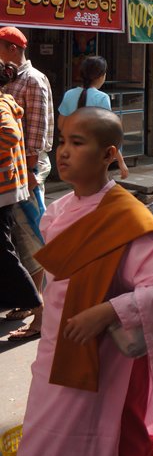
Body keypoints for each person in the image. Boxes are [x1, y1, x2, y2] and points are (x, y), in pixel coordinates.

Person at [17, 107, 153, 456]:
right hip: (54, 355)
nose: (63, 152)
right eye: (62, 140)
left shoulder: (127, 219)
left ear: (108, 155)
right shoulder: (57, 212)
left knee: (88, 450)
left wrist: (107, 311)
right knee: (58, 447)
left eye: (77, 143)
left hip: (99, 364)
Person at [0, 25, 54, 340]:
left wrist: (30, 174)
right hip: (14, 171)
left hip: (24, 173)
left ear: (10, 48)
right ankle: (28, 302)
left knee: (31, 242)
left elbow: (36, 132)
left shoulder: (32, 80)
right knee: (19, 243)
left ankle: (41, 314)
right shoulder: (10, 79)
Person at [0, 59, 42, 317]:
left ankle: (37, 305)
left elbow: (10, 134)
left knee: (4, 251)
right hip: (8, 186)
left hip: (3, 188)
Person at [59, 55, 129, 179]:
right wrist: (121, 162)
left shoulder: (69, 94)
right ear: (101, 76)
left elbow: (60, 124)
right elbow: (109, 134)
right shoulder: (102, 98)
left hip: (72, 154)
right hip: (94, 155)